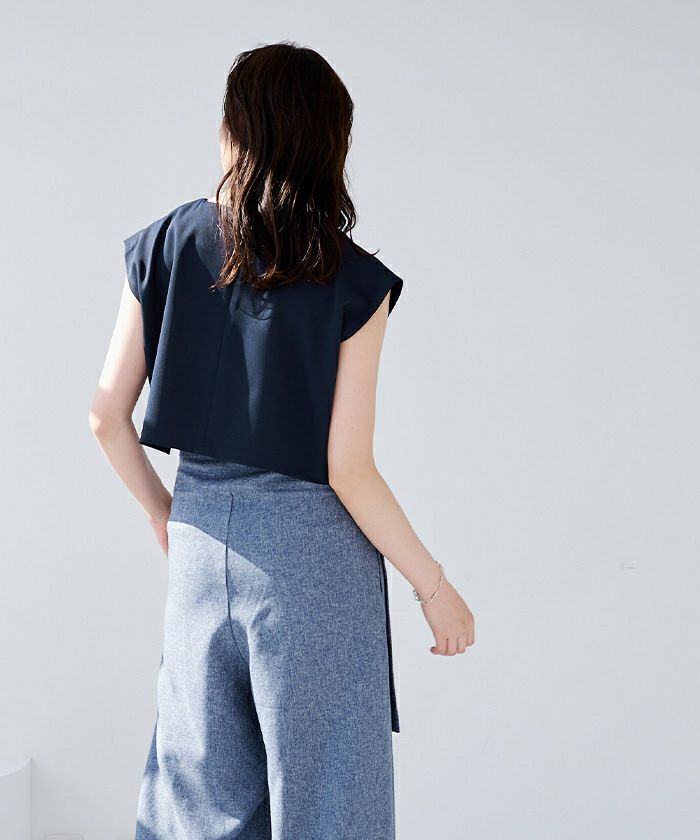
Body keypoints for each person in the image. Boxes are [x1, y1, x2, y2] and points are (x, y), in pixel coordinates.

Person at [89, 41, 474, 840]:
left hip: (199, 548)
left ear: (235, 129)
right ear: (330, 146)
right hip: (310, 559)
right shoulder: (352, 279)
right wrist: (432, 586)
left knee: (198, 807)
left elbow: (105, 416)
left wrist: (165, 511)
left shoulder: (164, 244)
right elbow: (349, 468)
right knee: (330, 804)